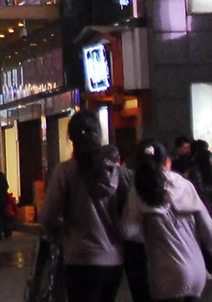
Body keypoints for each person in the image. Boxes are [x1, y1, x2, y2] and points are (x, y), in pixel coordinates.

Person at [121, 137, 212, 302]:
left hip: (165, 273)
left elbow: (129, 231)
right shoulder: (186, 186)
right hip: (196, 272)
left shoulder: (138, 192)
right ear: (167, 162)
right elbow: (207, 226)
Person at [40, 111, 130, 302]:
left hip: (80, 259)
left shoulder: (65, 172)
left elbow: (48, 215)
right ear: (99, 135)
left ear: (71, 138)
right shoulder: (118, 173)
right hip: (114, 261)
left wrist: (58, 233)